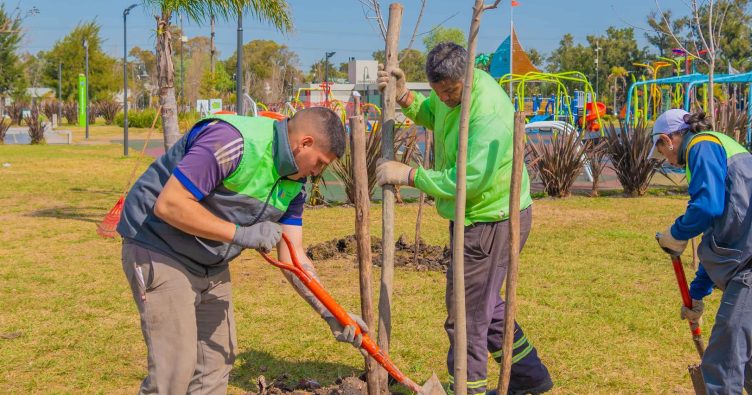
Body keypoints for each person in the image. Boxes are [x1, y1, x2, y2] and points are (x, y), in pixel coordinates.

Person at [116, 108, 368, 394]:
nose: (317, 173)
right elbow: (170, 204)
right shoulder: (231, 140)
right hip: (159, 246)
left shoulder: (295, 182)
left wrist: (331, 312)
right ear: (305, 143)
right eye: (320, 163)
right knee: (174, 369)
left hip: (210, 260)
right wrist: (241, 234)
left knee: (215, 362)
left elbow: (293, 255)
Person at [376, 42, 553, 395]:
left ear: (466, 78)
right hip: (479, 217)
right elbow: (434, 113)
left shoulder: (486, 112)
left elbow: (467, 182)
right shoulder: (450, 97)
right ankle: (529, 378)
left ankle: (468, 389)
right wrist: (405, 97)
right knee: (485, 304)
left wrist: (408, 175)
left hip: (491, 220)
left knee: (467, 315)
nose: (444, 99)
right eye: (438, 92)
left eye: (450, 92)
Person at [651, 109, 752, 394]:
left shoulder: (701, 146)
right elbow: (719, 236)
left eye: (662, 152)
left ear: (668, 140)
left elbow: (706, 208)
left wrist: (676, 233)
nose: (667, 161)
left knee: (721, 361)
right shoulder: (715, 146)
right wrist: (697, 294)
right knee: (750, 357)